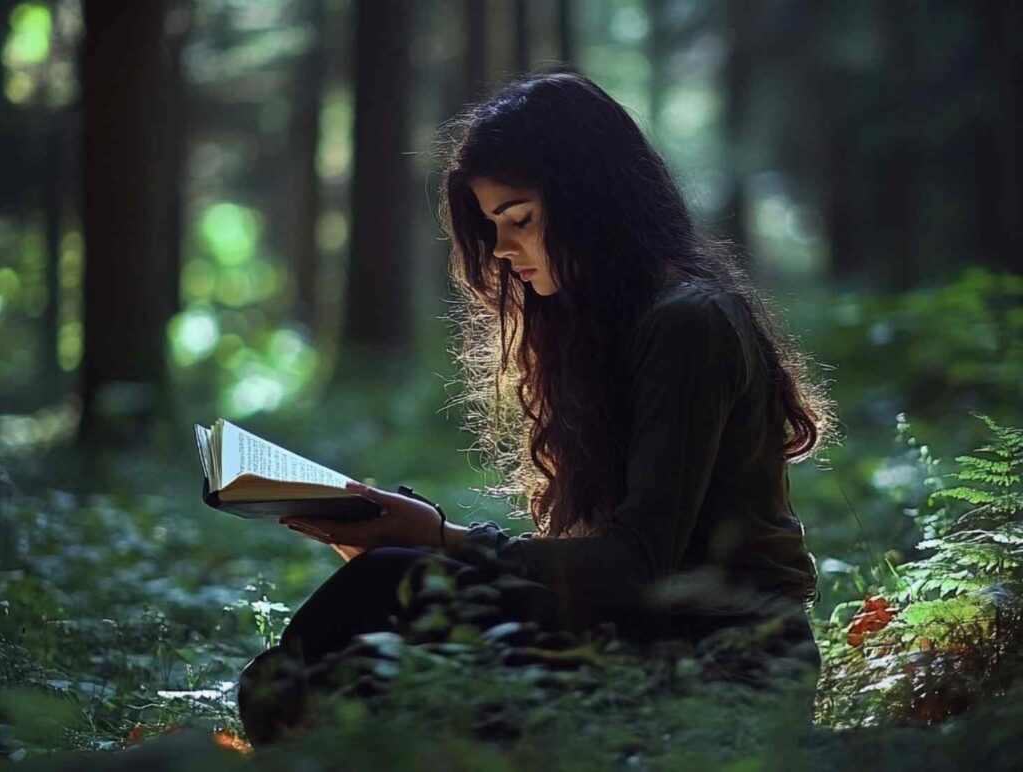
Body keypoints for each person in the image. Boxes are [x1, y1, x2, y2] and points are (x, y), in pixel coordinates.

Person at [237, 69, 838, 745]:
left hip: (725, 669)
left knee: (390, 588)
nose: (501, 249)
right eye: (493, 226)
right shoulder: (612, 329)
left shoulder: (688, 325)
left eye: (519, 219)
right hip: (645, 641)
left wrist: (440, 540)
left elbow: (637, 567)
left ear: (592, 203)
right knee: (371, 623)